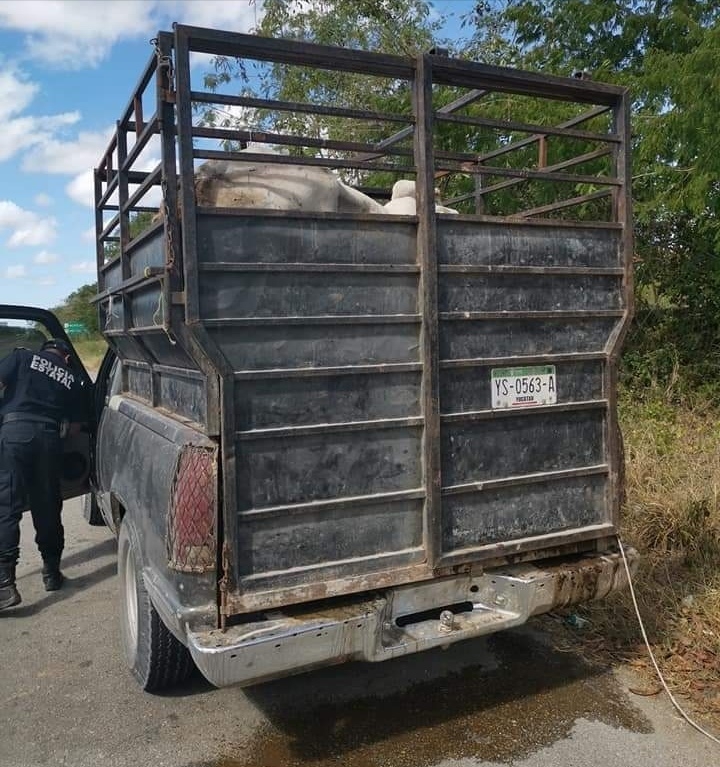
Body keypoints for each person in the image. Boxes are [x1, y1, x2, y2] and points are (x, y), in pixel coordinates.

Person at [0, 338, 85, 610]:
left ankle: (5, 586)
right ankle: (51, 573)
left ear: (43, 351)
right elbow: (74, 429)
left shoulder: (22, 358)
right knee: (47, 506)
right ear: (66, 357)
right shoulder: (70, 377)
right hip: (49, 439)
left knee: (7, 508)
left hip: (14, 433)